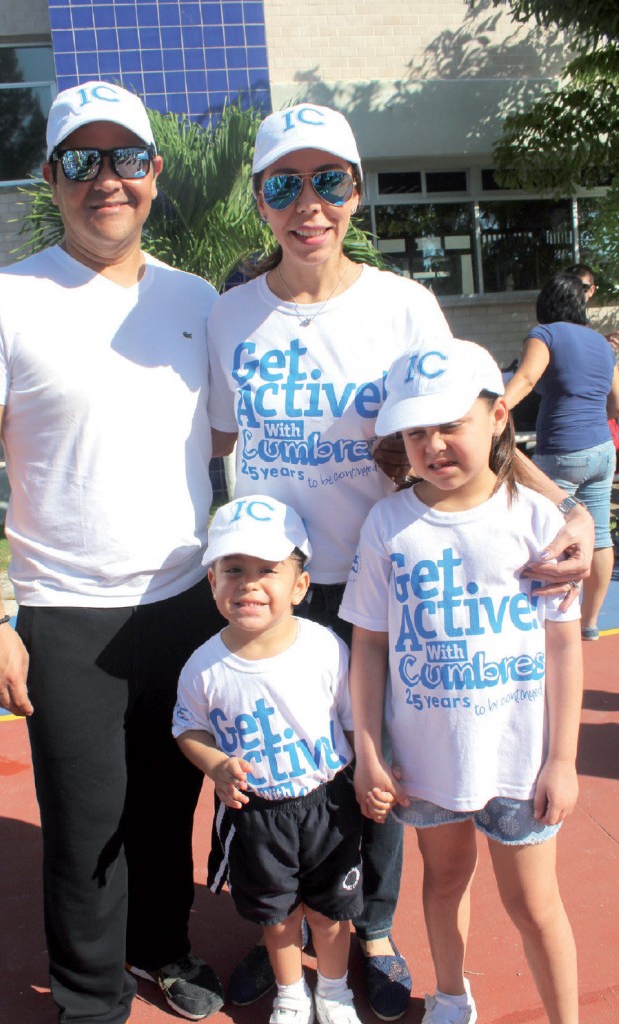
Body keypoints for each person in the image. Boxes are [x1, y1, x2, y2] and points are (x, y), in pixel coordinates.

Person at [207, 102, 594, 1020]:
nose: (311, 204)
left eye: (330, 181)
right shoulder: (228, 318)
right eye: (286, 185)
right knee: (273, 761)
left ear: (357, 190)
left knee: (377, 773)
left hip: (383, 562)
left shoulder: (403, 305)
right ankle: (289, 935)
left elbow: (471, 414)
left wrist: (564, 505)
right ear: (262, 199)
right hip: (274, 583)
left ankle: (369, 933)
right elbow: (211, 439)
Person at [0, 81, 226, 1024]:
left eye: (127, 160)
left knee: (166, 805)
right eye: (80, 161)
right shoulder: (4, 298)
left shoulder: (196, 300)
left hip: (186, 600)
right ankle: (91, 997)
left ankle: (163, 949)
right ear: (54, 178)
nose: (107, 180)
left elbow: (225, 442)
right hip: (65, 613)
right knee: (85, 824)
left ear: (154, 175)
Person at [341, 338, 583, 1024]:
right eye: (417, 431)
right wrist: (369, 752)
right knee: (444, 882)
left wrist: (562, 760)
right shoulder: (387, 525)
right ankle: (452, 997)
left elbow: (564, 648)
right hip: (427, 761)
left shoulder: (538, 521)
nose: (435, 444)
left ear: (500, 416)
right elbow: (368, 647)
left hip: (520, 762)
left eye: (452, 424)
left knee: (534, 906)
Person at [173, 494, 365, 1024]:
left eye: (268, 570)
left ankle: (333, 988)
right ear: (212, 582)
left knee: (330, 912)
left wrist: (371, 768)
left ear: (300, 585)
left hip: (328, 804)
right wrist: (213, 764)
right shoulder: (203, 666)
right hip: (255, 814)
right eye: (233, 569)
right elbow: (186, 727)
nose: (249, 583)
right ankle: (290, 992)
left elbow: (353, 718)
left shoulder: (326, 647)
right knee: (275, 916)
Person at [504, 273, 619, 640]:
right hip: (602, 449)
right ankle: (589, 624)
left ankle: (552, 621)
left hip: (562, 448)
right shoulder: (603, 345)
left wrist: (498, 408)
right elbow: (615, 402)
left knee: (546, 531)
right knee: (599, 536)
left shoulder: (545, 335)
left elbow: (525, 377)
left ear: (546, 304)